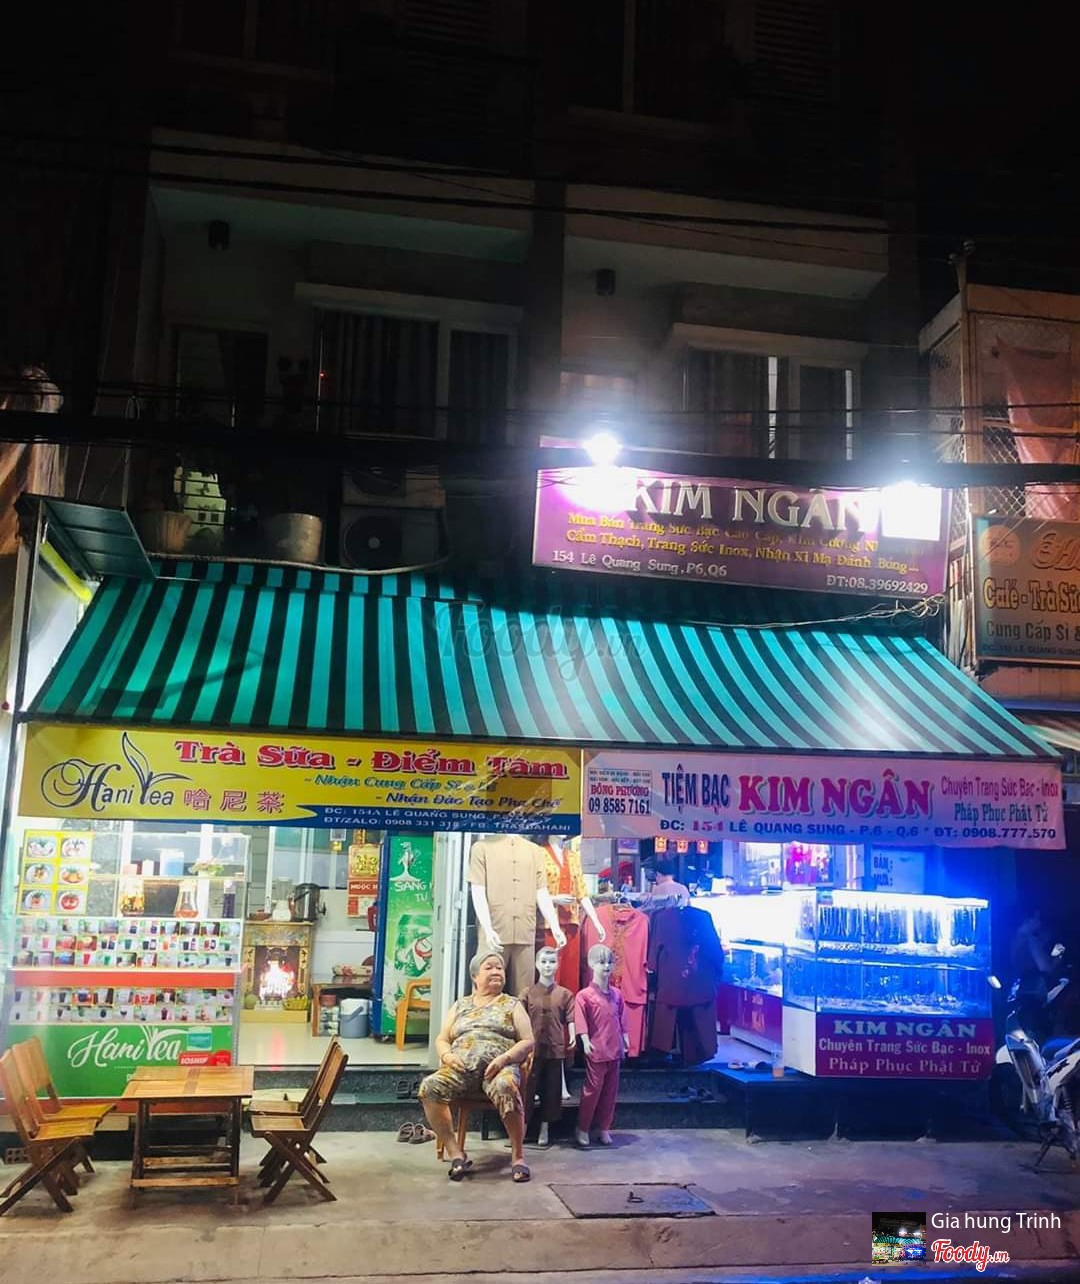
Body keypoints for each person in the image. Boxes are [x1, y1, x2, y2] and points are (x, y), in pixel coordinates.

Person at [418, 949, 535, 1182]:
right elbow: (442, 1038)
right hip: (462, 1068)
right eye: (489, 967)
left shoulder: (512, 1004)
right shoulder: (460, 1005)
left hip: (498, 1068)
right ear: (475, 976)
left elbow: (528, 1041)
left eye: (499, 968)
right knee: (429, 1088)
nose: (496, 971)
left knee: (505, 1086)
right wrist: (447, 1056)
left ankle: (518, 1156)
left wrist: (504, 1059)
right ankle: (456, 1154)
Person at [573, 944, 629, 1147]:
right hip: (596, 1048)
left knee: (610, 1091)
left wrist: (625, 1038)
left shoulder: (617, 994)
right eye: (601, 962)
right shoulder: (584, 995)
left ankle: (604, 1127)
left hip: (614, 1048)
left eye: (609, 962)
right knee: (593, 1090)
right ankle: (583, 1127)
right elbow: (580, 1019)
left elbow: (622, 1018)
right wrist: (585, 1040)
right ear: (591, 964)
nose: (606, 966)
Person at [520, 946, 575, 1147]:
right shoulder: (527, 993)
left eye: (551, 962)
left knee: (552, 1091)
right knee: (527, 1089)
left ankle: (545, 1128)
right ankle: (523, 1127)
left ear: (557, 964)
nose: (547, 966)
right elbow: (519, 1018)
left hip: (555, 1047)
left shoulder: (565, 994)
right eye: (543, 962)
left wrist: (572, 1033)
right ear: (536, 964)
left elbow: (570, 1017)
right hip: (532, 1049)